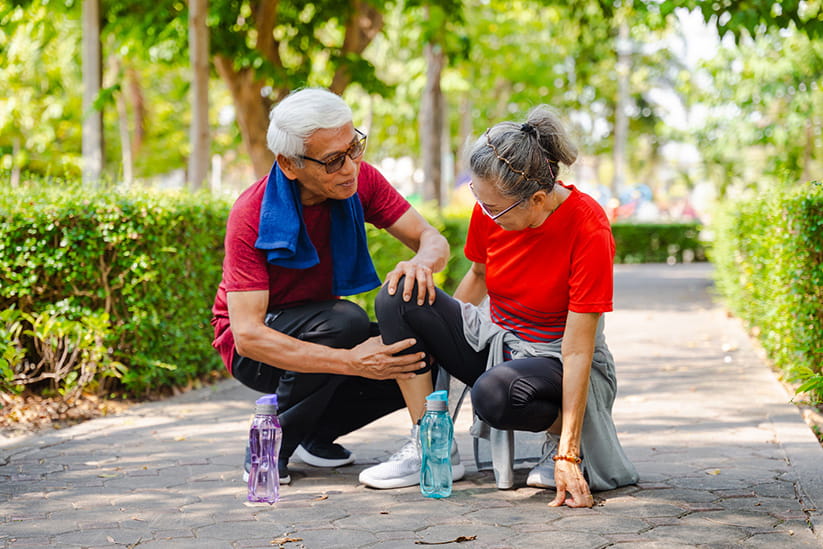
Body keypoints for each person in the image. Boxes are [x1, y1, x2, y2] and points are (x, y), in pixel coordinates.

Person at [359, 105, 638, 507]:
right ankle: (432, 445)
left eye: (494, 208)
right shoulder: (493, 207)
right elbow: (478, 275)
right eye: (480, 199)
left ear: (537, 199)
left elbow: (577, 349)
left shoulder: (588, 226)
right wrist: (436, 332)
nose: (486, 213)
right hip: (495, 339)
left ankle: (558, 441)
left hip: (555, 357)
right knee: (399, 294)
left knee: (494, 394)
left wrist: (569, 454)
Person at [210, 87, 452, 484]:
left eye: (354, 148)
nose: (350, 167)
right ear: (289, 164)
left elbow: (432, 239)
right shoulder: (251, 212)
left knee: (419, 351)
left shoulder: (360, 180)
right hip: (254, 348)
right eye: (333, 160)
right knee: (344, 322)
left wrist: (421, 264)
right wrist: (352, 362)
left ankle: (314, 435)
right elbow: (248, 337)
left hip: (321, 328)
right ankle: (269, 449)